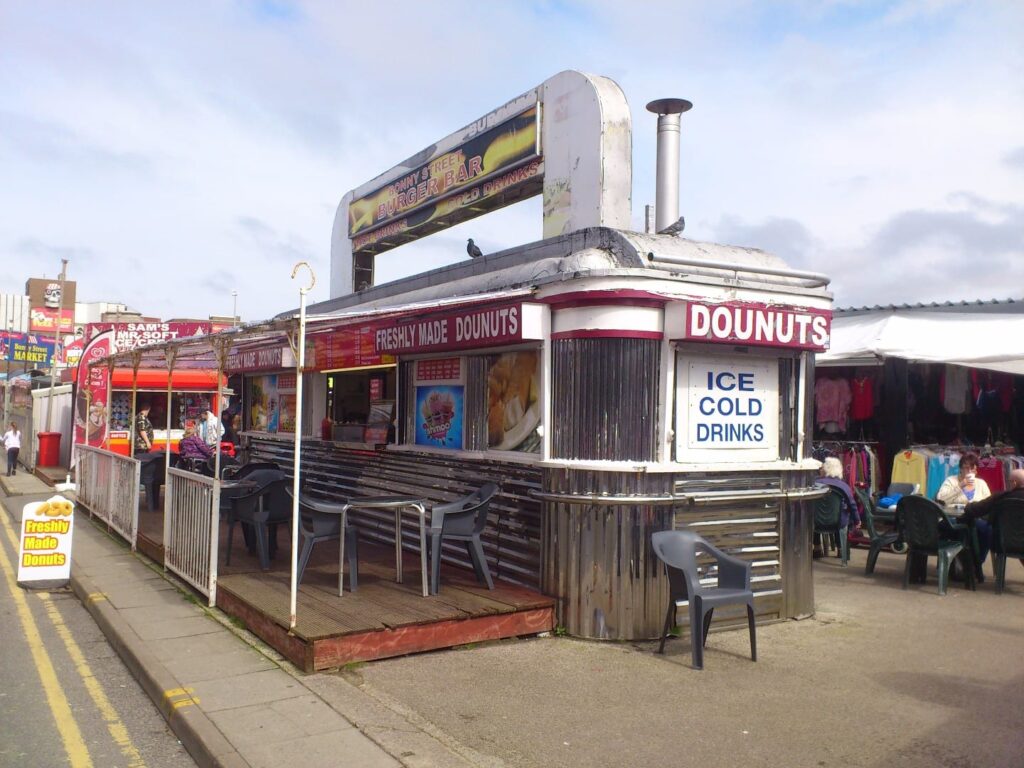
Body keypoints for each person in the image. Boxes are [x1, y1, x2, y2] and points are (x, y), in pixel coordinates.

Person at [959, 467, 1024, 567]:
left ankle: (972, 566)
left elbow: (975, 509)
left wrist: (968, 506)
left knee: (980, 526)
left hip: (1003, 543)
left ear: (1014, 483)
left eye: (1009, 481)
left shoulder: (1000, 497)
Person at [815, 456, 863, 532]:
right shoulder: (844, 486)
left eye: (822, 467)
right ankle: (841, 543)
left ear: (826, 469)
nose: (820, 470)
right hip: (838, 523)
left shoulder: (814, 483)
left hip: (815, 522)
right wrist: (857, 521)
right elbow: (852, 505)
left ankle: (816, 542)